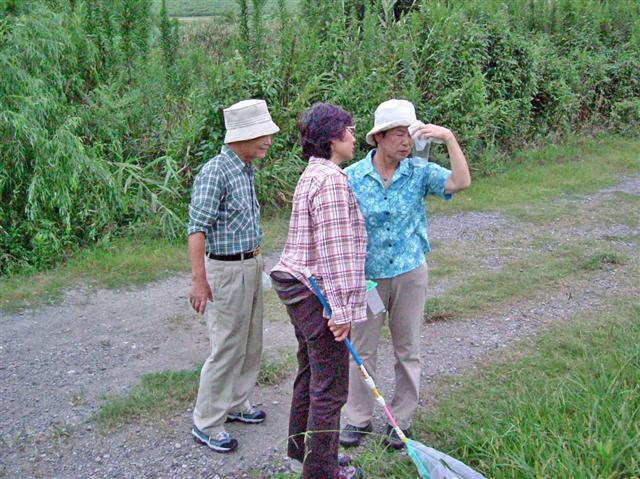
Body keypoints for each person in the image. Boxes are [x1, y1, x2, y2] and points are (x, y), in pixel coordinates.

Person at [340, 99, 471, 449]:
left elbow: (460, 181)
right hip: (367, 279)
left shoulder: (418, 172)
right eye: (399, 134)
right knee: (361, 350)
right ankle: (358, 418)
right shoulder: (352, 177)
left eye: (410, 135)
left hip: (409, 272)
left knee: (407, 348)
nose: (406, 142)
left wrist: (448, 138)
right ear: (379, 137)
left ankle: (401, 420)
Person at [270, 103, 367, 479]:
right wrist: (342, 312)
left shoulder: (313, 173)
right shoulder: (331, 181)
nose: (354, 137)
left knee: (311, 370)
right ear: (332, 137)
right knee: (330, 386)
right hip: (314, 291)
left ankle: (304, 451)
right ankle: (321, 471)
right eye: (350, 130)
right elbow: (336, 251)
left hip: (297, 284)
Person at [187, 99, 280, 453]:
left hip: (251, 265)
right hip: (225, 271)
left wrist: (258, 260)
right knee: (226, 345)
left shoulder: (246, 168)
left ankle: (237, 402)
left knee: (251, 341)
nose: (268, 140)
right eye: (261, 134)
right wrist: (199, 280)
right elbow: (197, 229)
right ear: (240, 136)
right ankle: (207, 421)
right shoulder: (216, 172)